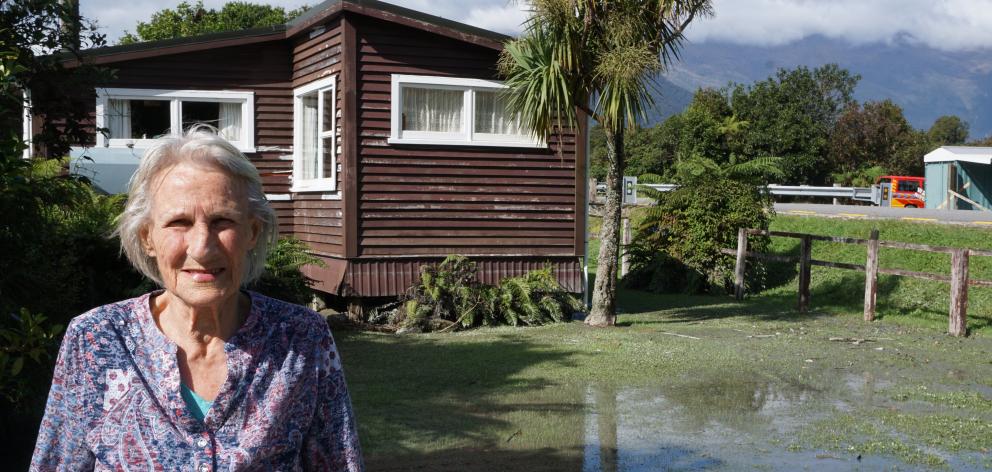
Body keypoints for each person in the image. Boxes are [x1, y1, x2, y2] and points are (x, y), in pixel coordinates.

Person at [31, 129, 363, 471]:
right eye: (179, 222)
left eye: (222, 221)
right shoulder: (95, 340)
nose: (202, 247)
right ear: (147, 237)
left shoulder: (301, 339)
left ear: (251, 232)